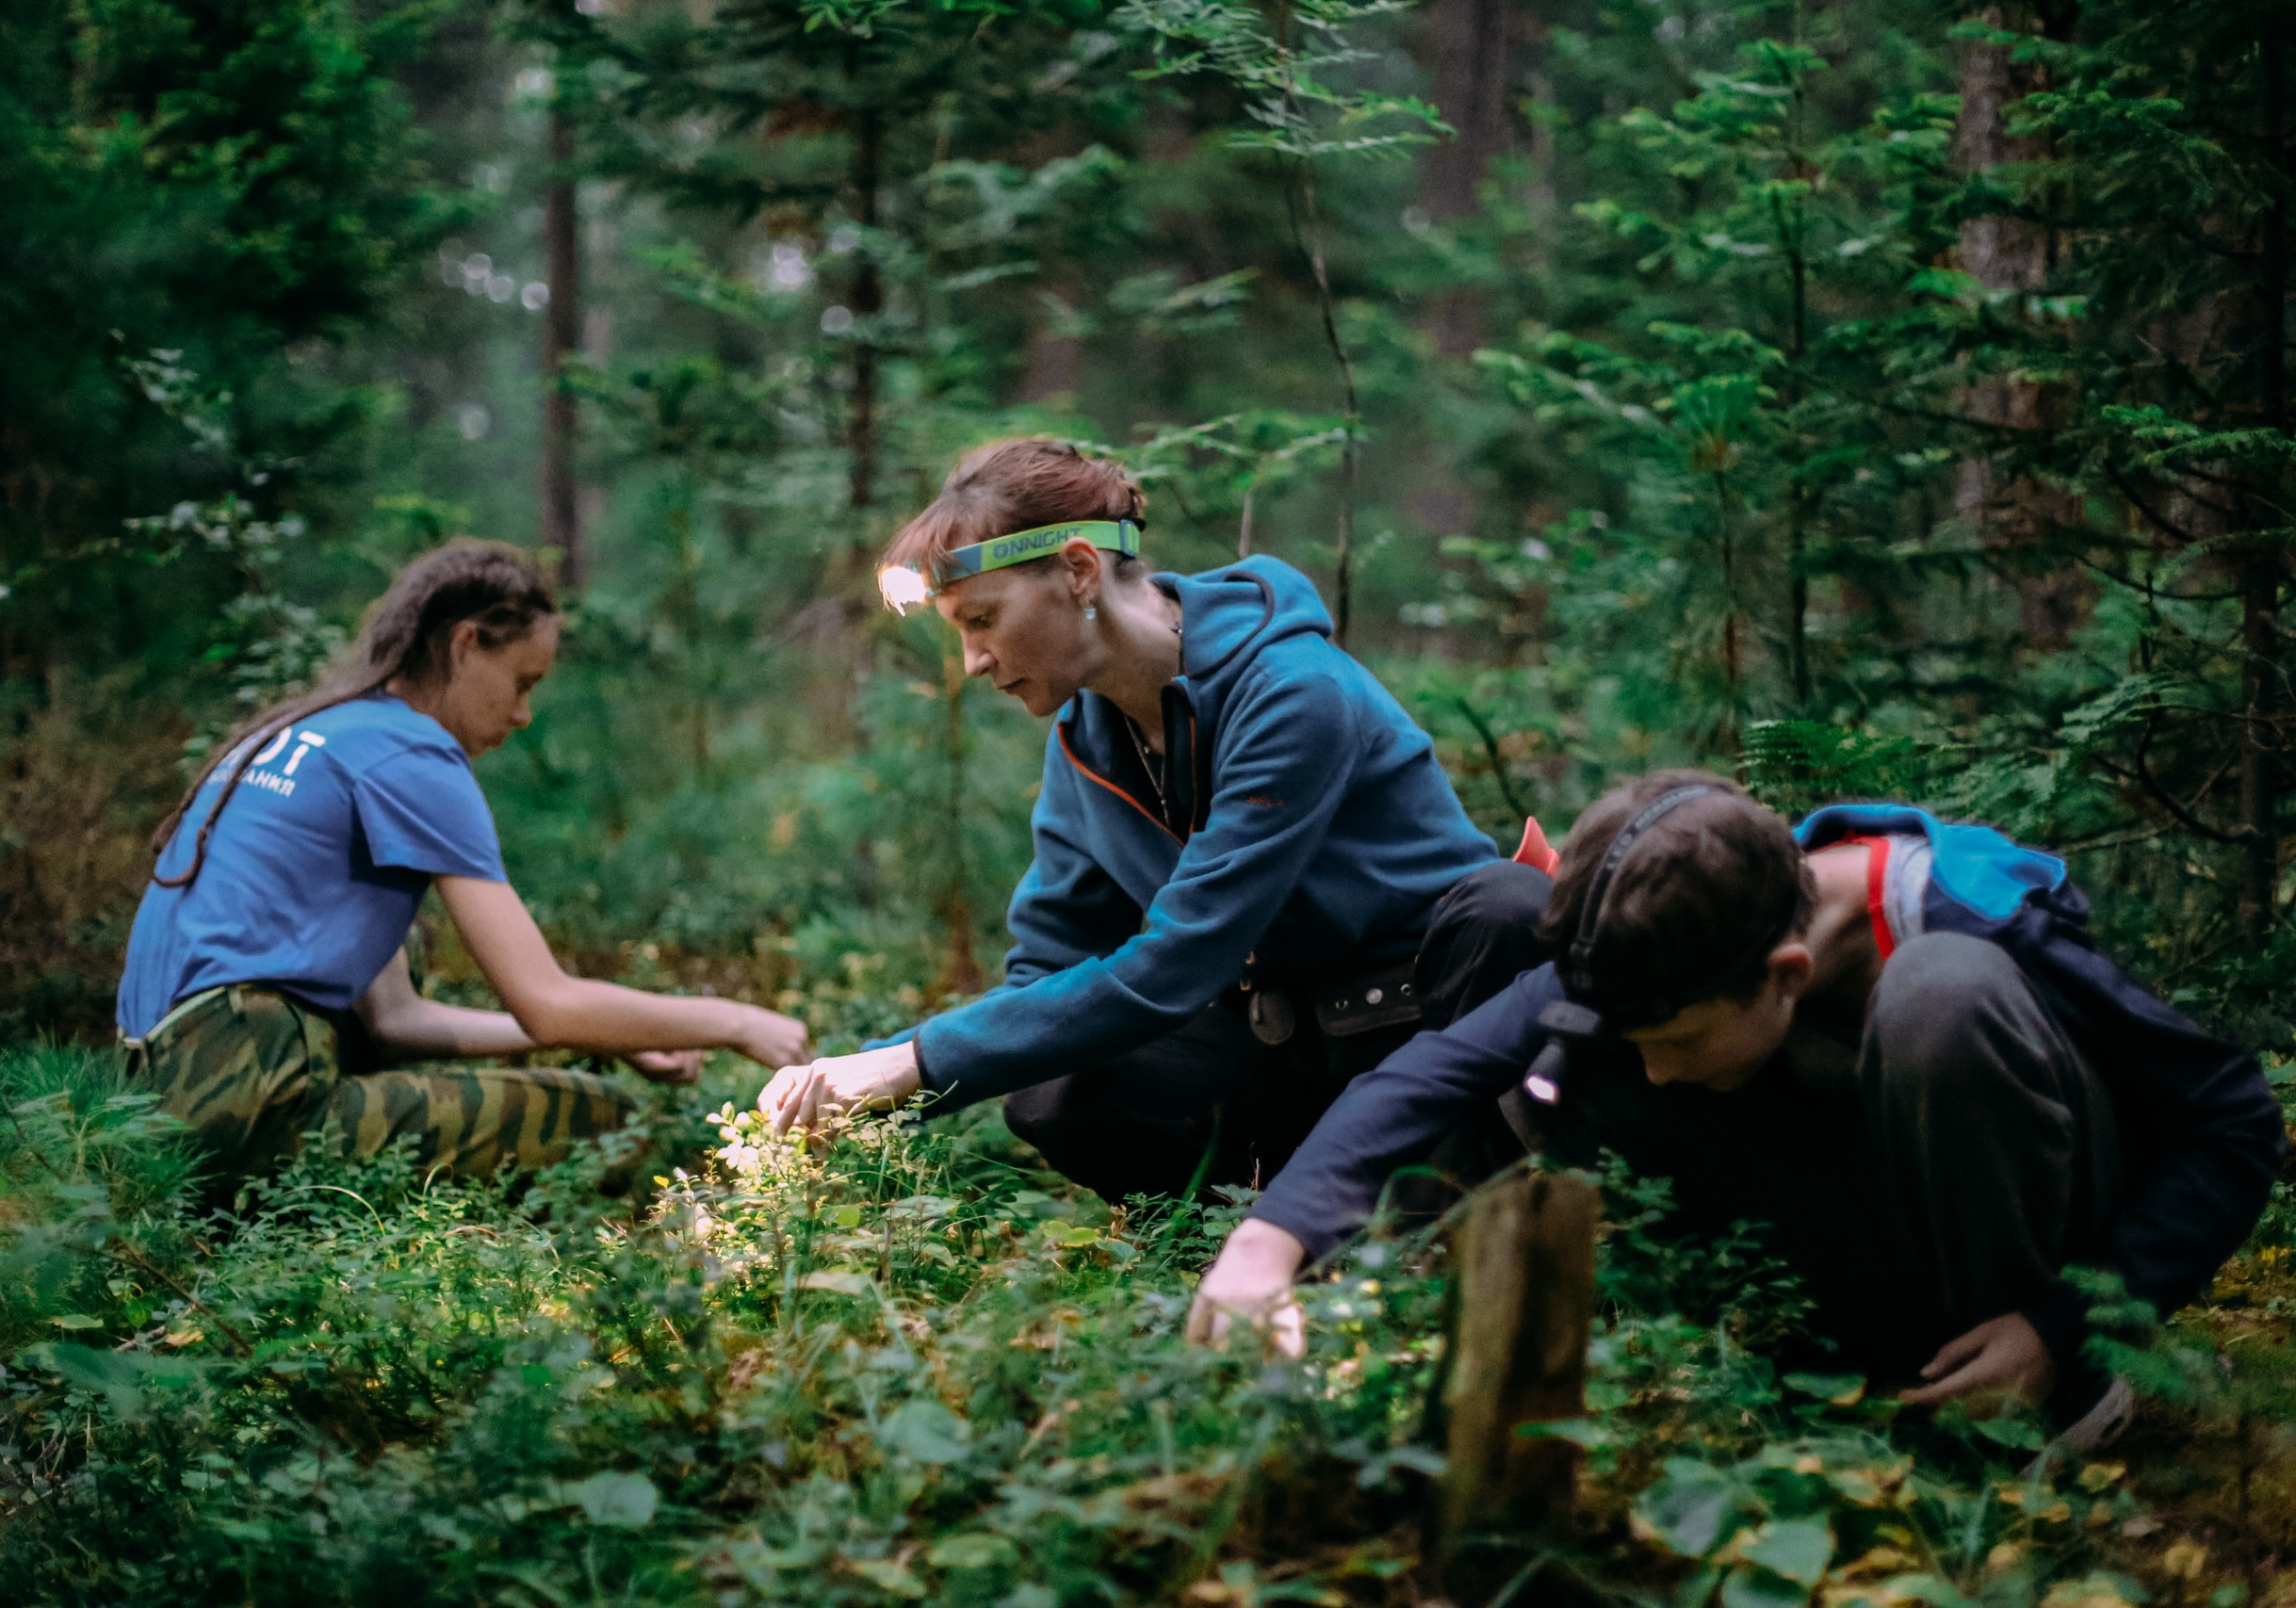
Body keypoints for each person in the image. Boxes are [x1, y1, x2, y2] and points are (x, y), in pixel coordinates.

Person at [1190, 771, 2285, 1436]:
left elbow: (2232, 1119)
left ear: (1787, 972)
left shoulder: (1970, 916)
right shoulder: (1655, 914)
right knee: (1559, 1064)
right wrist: (1268, 1240)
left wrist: (2066, 1328)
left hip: (2029, 1239)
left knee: (1940, 1002)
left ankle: (2037, 1398)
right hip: (1853, 1219)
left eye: (1679, 1040)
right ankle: (1817, 1353)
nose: (1658, 1073)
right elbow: (1434, 1071)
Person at [756, 437, 1555, 1200]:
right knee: (1053, 1090)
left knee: (1506, 909)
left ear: (1077, 572)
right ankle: (1249, 1235)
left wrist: (915, 1064)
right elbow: (1048, 962)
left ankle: (1453, 1210)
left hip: (1420, 1028)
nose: (973, 662)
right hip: (1281, 1051)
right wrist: (869, 1078)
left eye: (981, 619)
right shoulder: (1084, 741)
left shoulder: (1291, 692)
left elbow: (1181, 958)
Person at [118, 540, 810, 1187]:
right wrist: (736, 1020)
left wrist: (613, 1036)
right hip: (254, 1096)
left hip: (153, 1114)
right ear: (466, 642)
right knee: (613, 1123)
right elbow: (547, 1004)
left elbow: (394, 1020)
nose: (523, 714)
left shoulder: (318, 730)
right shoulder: (412, 753)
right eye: (521, 682)